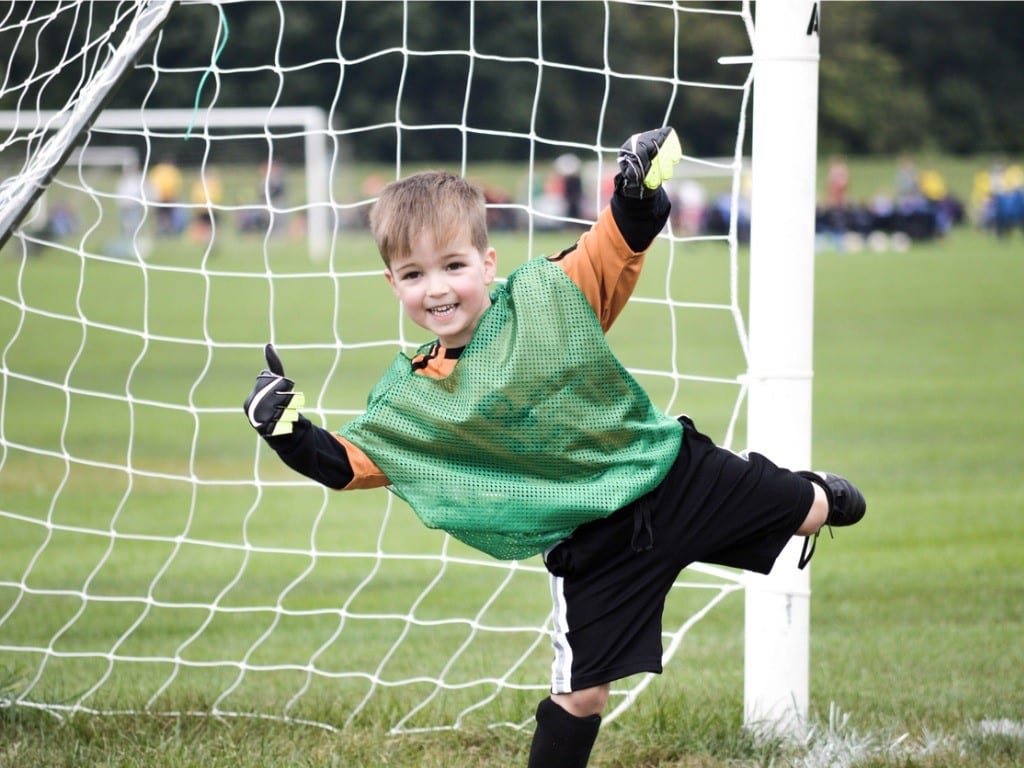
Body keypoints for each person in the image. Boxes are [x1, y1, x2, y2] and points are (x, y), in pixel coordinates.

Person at [243, 127, 866, 768]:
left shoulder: (547, 296)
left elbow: (617, 240)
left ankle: (812, 491)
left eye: (453, 265)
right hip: (593, 544)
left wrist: (636, 187)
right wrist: (283, 426)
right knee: (580, 695)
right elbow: (352, 463)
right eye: (414, 274)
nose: (437, 288)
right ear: (391, 283)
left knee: (823, 510)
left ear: (487, 263)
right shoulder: (412, 397)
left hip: (672, 476)